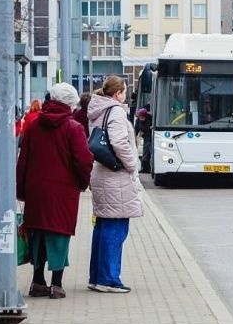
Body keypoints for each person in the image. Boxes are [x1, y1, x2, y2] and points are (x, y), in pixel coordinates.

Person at [17, 83, 93, 298]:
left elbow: (23, 160)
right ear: (70, 104)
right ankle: (57, 284)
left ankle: (37, 281)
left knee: (38, 232)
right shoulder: (74, 128)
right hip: (63, 191)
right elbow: (83, 161)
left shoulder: (34, 125)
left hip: (36, 189)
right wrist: (82, 182)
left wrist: (21, 189)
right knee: (59, 234)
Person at [87, 76, 142, 293]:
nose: (125, 95)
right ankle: (109, 279)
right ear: (118, 93)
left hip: (101, 172)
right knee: (116, 228)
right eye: (124, 91)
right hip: (116, 175)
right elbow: (119, 141)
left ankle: (96, 276)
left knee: (102, 226)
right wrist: (132, 164)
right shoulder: (116, 111)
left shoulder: (97, 110)